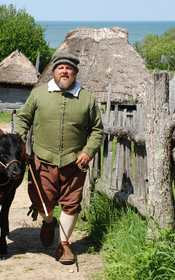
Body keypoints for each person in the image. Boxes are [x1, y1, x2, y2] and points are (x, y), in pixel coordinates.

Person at [14, 52, 103, 265]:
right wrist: (19, 143)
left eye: (69, 68)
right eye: (60, 68)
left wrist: (88, 151)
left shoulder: (87, 98)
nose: (65, 71)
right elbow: (23, 119)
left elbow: (97, 130)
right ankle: (48, 221)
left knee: (71, 204)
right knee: (41, 202)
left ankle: (63, 245)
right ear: (53, 72)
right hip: (42, 159)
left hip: (75, 163)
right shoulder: (38, 94)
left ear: (75, 72)